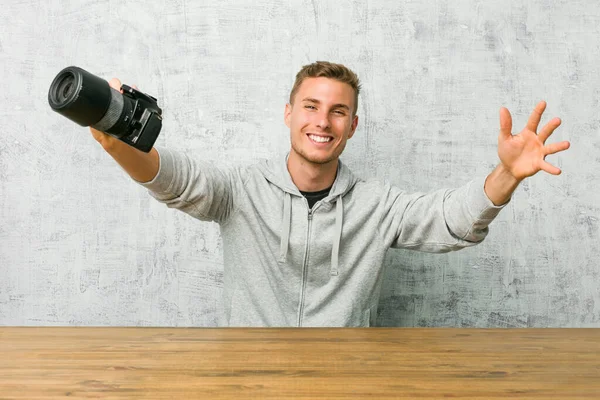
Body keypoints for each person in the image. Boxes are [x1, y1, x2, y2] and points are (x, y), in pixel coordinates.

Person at [90, 61, 570, 327]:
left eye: (339, 111)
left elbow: (452, 220)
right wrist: (117, 140)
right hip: (249, 381)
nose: (323, 121)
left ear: (353, 126)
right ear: (289, 113)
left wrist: (507, 173)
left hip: (347, 380)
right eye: (311, 106)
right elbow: (175, 180)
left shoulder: (379, 205)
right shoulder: (240, 191)